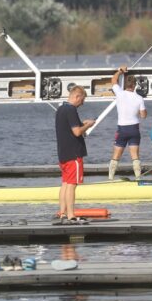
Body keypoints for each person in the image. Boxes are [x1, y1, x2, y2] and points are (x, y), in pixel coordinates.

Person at [55, 86, 95, 224]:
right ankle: (71, 216)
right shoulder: (71, 110)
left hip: (63, 153)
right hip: (73, 154)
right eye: (82, 100)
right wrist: (88, 125)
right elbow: (77, 132)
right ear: (77, 97)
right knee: (72, 185)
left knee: (65, 184)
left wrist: (83, 124)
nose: (82, 103)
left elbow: (72, 127)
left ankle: (62, 214)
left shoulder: (61, 109)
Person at [108, 65, 147, 180]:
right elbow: (143, 115)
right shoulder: (139, 98)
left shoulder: (120, 93)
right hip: (134, 129)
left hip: (122, 129)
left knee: (116, 156)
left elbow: (113, 80)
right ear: (135, 85)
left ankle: (110, 179)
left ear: (125, 84)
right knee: (135, 156)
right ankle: (138, 178)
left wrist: (120, 70)